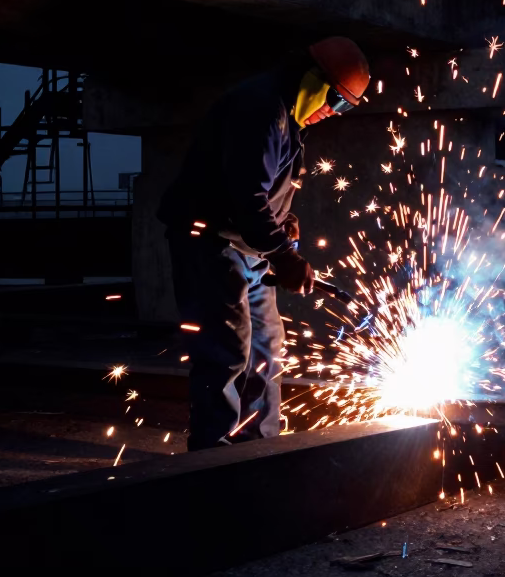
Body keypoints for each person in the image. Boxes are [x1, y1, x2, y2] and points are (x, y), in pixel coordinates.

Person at [158, 37, 371, 450]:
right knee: (227, 352)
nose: (334, 112)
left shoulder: (289, 117)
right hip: (211, 242)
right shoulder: (261, 108)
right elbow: (246, 196)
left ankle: (260, 450)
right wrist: (285, 257)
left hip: (250, 246)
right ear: (315, 81)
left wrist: (282, 221)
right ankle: (213, 457)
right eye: (338, 101)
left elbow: (260, 187)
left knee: (267, 350)